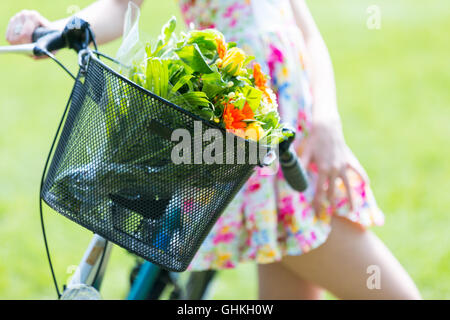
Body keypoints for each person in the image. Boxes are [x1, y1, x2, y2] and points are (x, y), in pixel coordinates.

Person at [6, 0, 421, 299]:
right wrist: (63, 27)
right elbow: (122, 3)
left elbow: (308, 35)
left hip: (299, 146)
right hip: (247, 155)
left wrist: (328, 120)